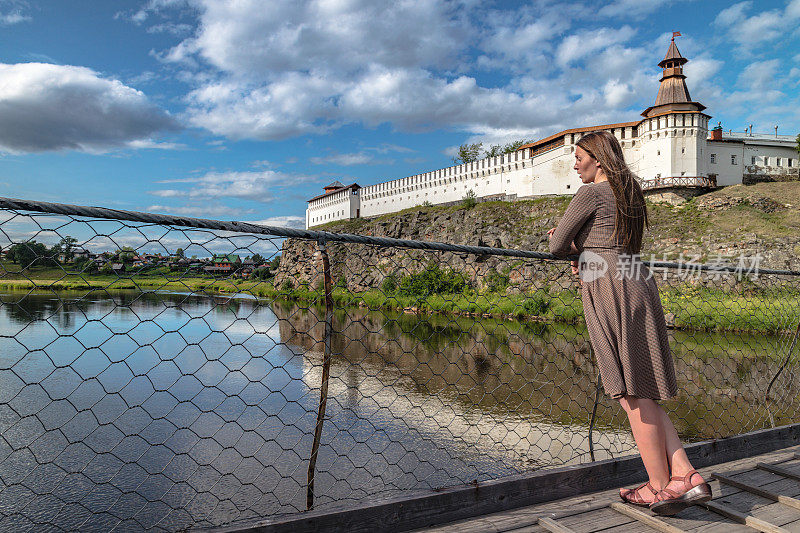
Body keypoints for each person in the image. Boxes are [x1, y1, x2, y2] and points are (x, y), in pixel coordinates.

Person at [546, 131, 712, 516]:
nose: (575, 163)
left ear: (598, 160)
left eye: (579, 156)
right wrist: (584, 250)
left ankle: (658, 486)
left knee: (630, 393)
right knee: (642, 391)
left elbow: (557, 247)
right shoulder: (630, 193)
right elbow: (613, 242)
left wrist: (569, 246)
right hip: (636, 279)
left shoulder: (590, 193)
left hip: (609, 286)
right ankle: (684, 474)